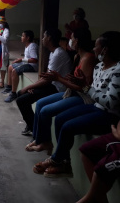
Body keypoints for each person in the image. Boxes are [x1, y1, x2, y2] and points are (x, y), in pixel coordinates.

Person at [33, 31, 120, 178]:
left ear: (105, 49)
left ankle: (56, 160)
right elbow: (93, 91)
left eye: (97, 46)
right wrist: (83, 85)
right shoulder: (99, 67)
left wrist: (86, 88)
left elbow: (110, 102)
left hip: (109, 115)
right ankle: (64, 162)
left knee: (68, 127)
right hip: (95, 107)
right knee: (60, 118)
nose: (94, 49)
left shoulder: (117, 70)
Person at [26, 28, 96, 154]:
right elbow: (74, 81)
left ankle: (52, 149)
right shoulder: (77, 56)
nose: (70, 41)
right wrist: (60, 79)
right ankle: (40, 140)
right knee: (41, 103)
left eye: (72, 38)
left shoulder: (88, 58)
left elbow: (82, 88)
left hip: (81, 96)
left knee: (46, 111)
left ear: (77, 41)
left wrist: (58, 78)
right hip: (70, 91)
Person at [15, 28, 72, 136]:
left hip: (58, 88)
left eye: (44, 36)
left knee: (22, 99)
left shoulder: (58, 54)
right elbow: (46, 76)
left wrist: (28, 87)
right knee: (20, 95)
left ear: (49, 38)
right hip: (51, 84)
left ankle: (34, 129)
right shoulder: (53, 52)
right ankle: (32, 126)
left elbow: (47, 80)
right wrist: (34, 86)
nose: (42, 39)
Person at [77, 120, 120, 203]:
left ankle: (89, 199)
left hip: (117, 136)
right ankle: (98, 199)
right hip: (117, 135)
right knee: (86, 150)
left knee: (102, 168)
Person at [3, 30, 39, 103]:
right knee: (10, 66)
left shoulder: (32, 46)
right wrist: (21, 60)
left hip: (32, 66)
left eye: (23, 36)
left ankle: (13, 94)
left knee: (15, 71)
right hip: (26, 63)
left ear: (28, 38)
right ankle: (9, 87)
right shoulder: (27, 45)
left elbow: (35, 60)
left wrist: (21, 60)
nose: (21, 38)